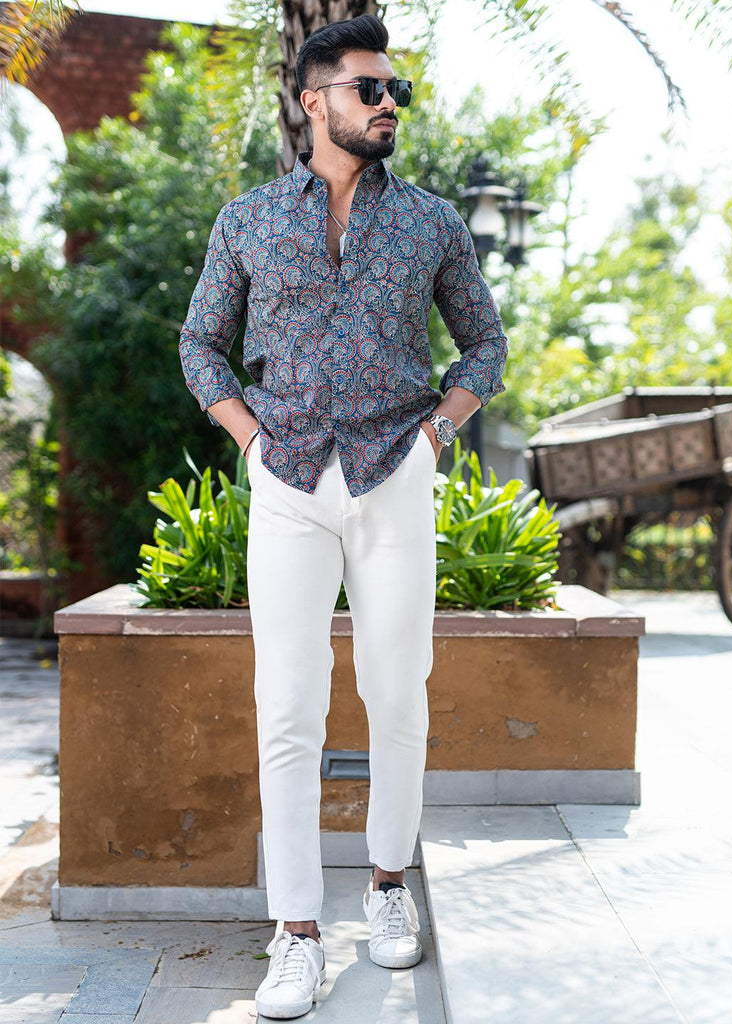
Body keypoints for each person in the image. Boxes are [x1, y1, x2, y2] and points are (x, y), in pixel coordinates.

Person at [179, 12, 507, 1019]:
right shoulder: (247, 221)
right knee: (288, 708)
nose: (388, 103)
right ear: (313, 100)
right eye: (369, 88)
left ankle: (389, 885)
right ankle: (296, 934)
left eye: (395, 89)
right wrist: (249, 441)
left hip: (393, 473)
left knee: (397, 693)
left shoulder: (433, 224)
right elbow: (201, 345)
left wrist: (436, 435)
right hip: (288, 482)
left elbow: (485, 344)